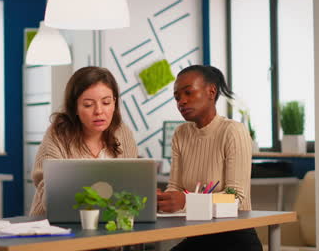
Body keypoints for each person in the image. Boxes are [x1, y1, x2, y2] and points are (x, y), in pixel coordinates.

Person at [157, 65, 262, 250]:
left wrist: (186, 200)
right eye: (177, 97)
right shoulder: (180, 133)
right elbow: (175, 187)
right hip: (199, 235)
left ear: (211, 92)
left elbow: (235, 197)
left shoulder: (233, 131)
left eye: (188, 93)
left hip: (235, 236)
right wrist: (165, 199)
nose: (181, 101)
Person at [29, 66, 139, 216]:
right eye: (88, 105)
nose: (99, 111)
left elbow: (131, 183)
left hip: (111, 222)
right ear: (74, 107)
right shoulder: (58, 134)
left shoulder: (122, 132)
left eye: (106, 102)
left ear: (114, 102)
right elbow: (47, 191)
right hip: (59, 225)